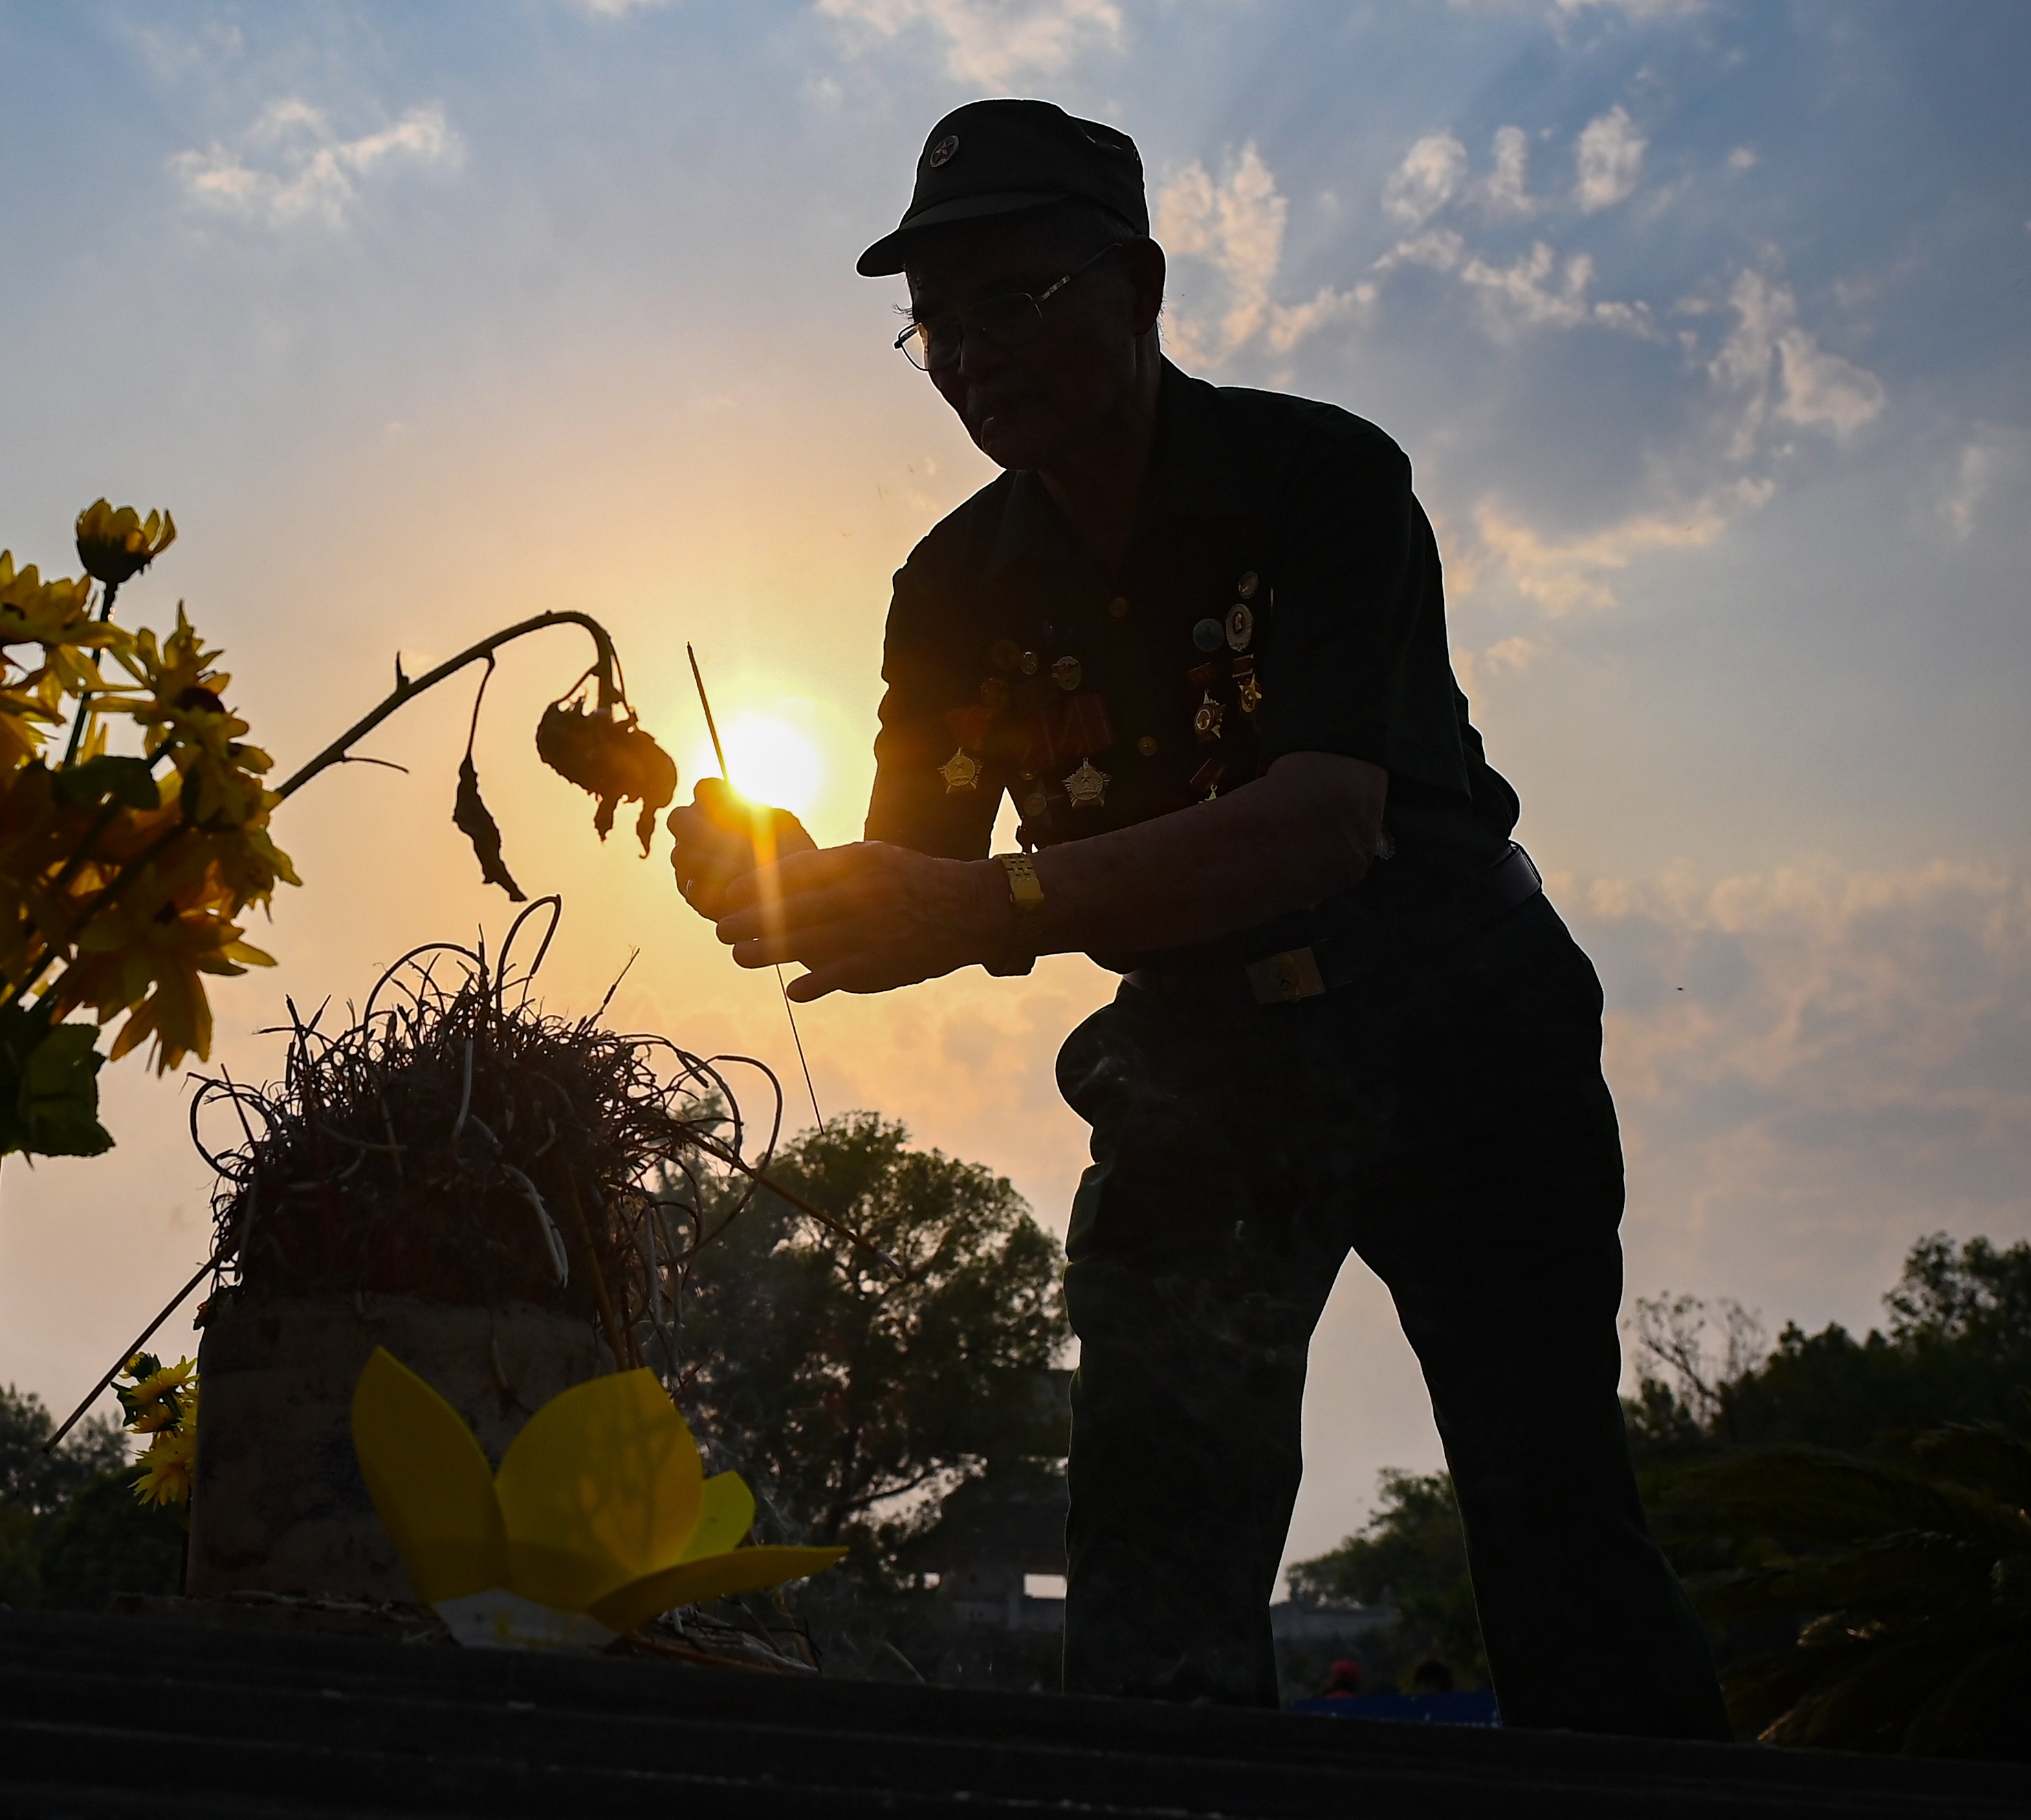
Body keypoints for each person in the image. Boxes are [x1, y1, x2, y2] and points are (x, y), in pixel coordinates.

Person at [666, 98, 1728, 1739]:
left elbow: (1321, 821)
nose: (965, 357)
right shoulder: (950, 590)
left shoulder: (1318, 479)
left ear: (1139, 282)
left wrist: (978, 901)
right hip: (1197, 1067)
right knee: (1154, 1548)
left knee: (1550, 1513)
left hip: (1456, 1019)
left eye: (1007, 303)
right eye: (930, 325)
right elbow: (917, 876)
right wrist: (788, 881)